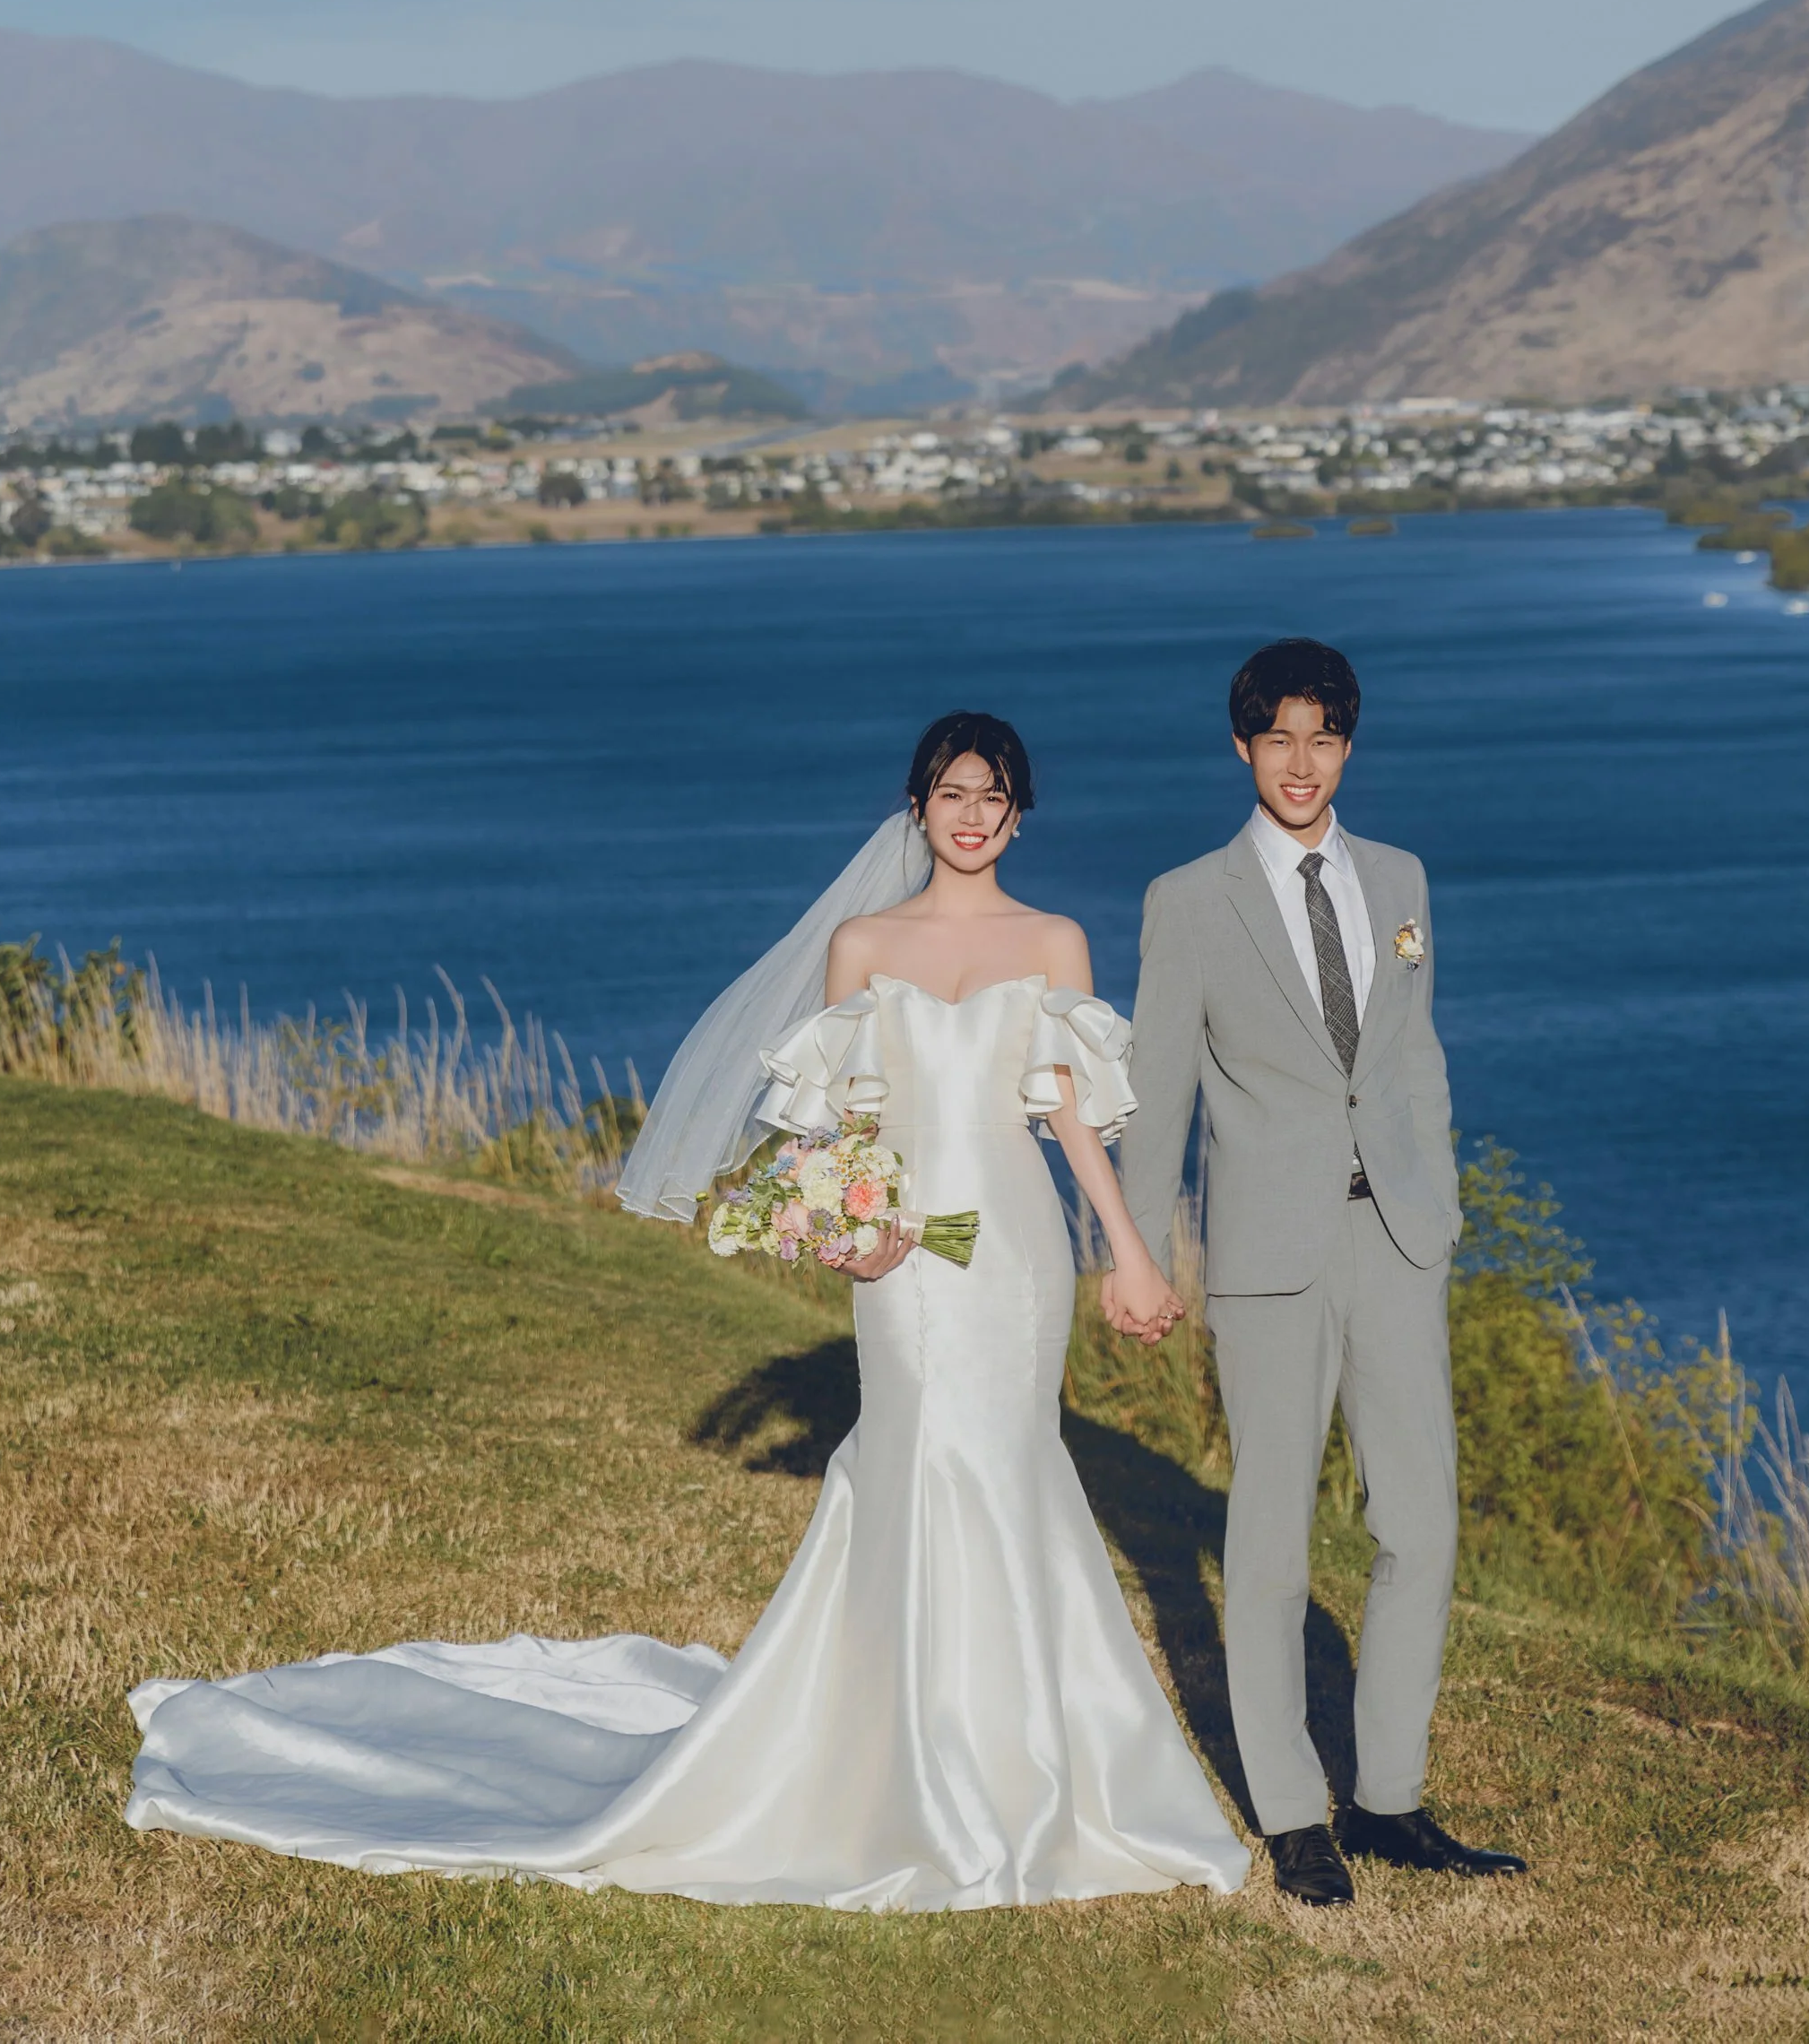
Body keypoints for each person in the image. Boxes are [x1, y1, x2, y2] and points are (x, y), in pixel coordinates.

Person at [125, 709, 1246, 1913]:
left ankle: (1041, 1763)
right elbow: (842, 1125)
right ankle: (910, 1764)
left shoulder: (1055, 938)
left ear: (1020, 812)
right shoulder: (863, 940)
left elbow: (1069, 1111)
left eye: (994, 794)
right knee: (923, 1454)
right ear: (917, 807)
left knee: (1018, 1458)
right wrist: (848, 1224)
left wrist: (1127, 1251)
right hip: (903, 1257)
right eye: (951, 791)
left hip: (1016, 1248)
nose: (972, 814)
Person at [1116, 637, 1525, 1909]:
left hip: (1396, 1236)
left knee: (1422, 1526)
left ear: (1349, 743)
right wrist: (1136, 1252)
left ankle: (1390, 1799)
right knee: (1273, 1536)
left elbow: (1412, 1057)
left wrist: (1441, 1204)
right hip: (1266, 1256)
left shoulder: (1398, 875)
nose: (1303, 761)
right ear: (1242, 745)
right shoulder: (1189, 897)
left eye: (1325, 735)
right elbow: (1158, 1090)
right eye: (1279, 736)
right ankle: (1293, 1812)